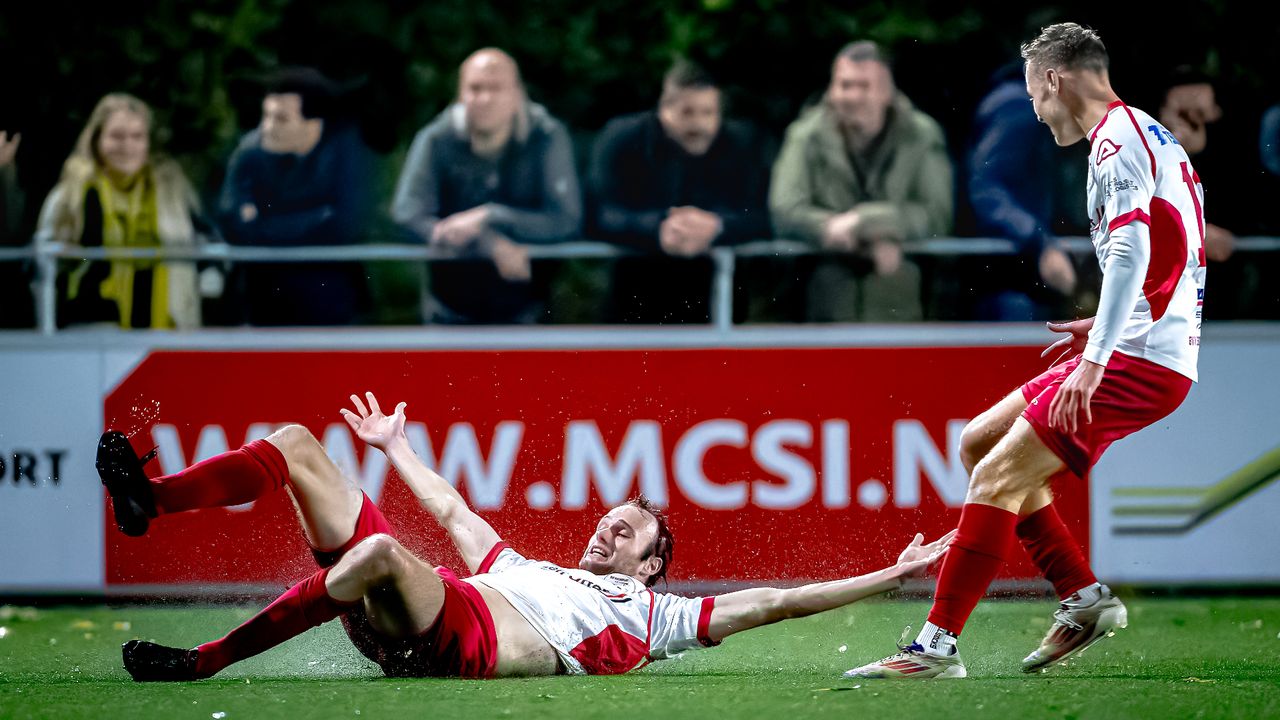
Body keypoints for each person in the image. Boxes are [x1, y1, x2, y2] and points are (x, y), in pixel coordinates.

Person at [98, 391, 952, 680]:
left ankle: (203, 659)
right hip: (426, 604)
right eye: (610, 515)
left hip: (454, 638)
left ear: (652, 564)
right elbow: (456, 515)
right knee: (293, 443)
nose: (609, 522)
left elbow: (779, 602)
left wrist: (889, 575)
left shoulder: (656, 620)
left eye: (630, 527)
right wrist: (397, 448)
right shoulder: (531, 564)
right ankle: (152, 501)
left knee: (380, 552)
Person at [845, 22, 1206, 679]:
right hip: (1141, 340)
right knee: (980, 442)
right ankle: (1083, 598)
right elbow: (1175, 253)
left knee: (997, 477)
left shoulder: (1114, 142)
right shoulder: (1154, 134)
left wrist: (1098, 354)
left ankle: (935, 648)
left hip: (1139, 359)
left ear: (1054, 80)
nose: (1036, 116)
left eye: (1034, 99)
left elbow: (1131, 251)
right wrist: (1108, 322)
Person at [392, 48, 581, 324]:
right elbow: (407, 213)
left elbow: (567, 219)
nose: (484, 99)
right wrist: (488, 243)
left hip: (529, 309)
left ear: (517, 94)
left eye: (496, 88)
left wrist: (491, 215)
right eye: (475, 88)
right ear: (460, 94)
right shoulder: (436, 139)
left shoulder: (547, 136)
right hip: (448, 310)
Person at [770, 41, 952, 322]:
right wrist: (831, 229)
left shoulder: (922, 134)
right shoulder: (804, 136)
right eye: (844, 85)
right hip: (822, 294)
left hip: (902, 293)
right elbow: (785, 208)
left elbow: (937, 213)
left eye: (864, 86)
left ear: (886, 91)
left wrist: (863, 222)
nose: (852, 95)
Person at [589, 59, 771, 323]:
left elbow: (763, 213)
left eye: (708, 113)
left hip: (716, 305)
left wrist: (716, 226)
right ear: (664, 109)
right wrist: (658, 228)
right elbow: (600, 211)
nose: (699, 125)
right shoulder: (624, 139)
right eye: (687, 113)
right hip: (635, 299)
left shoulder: (741, 144)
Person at [37, 93, 209, 330]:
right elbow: (46, 258)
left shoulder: (172, 190)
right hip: (92, 325)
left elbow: (205, 239)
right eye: (116, 137)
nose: (127, 146)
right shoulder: (71, 193)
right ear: (97, 139)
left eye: (137, 137)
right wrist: (82, 259)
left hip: (167, 326)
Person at [218, 67, 373, 326]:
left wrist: (264, 225)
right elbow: (233, 225)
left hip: (329, 305)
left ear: (314, 124)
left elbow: (347, 226)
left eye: (281, 119)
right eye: (265, 116)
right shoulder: (249, 153)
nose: (267, 128)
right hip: (259, 304)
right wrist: (316, 217)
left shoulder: (346, 154)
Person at [966, 61, 1081, 320]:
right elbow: (985, 187)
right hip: (1015, 276)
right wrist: (1040, 242)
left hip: (1028, 269)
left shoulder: (1033, 104)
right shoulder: (1020, 108)